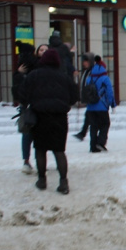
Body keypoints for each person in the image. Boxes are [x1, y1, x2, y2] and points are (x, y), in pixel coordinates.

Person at [21, 48, 79, 194]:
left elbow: (24, 95)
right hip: (59, 118)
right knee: (59, 151)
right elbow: (73, 97)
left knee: (40, 149)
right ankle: (63, 182)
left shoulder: (34, 75)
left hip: (39, 117)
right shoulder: (64, 77)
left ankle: (42, 180)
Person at [12, 41, 41, 174]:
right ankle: (39, 160)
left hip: (27, 106)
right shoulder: (37, 65)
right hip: (38, 104)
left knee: (27, 133)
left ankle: (26, 161)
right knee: (38, 135)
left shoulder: (22, 68)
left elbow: (16, 92)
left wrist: (17, 74)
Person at [85, 60, 116, 153]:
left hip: (90, 107)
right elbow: (109, 93)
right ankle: (100, 143)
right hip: (102, 107)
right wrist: (112, 104)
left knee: (93, 126)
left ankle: (93, 146)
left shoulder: (88, 78)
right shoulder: (105, 79)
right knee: (105, 124)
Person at [73, 52, 95, 141]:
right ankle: (83, 133)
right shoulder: (85, 71)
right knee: (89, 116)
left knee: (89, 116)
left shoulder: (93, 72)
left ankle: (83, 133)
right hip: (88, 97)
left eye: (86, 61)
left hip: (92, 98)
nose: (84, 63)